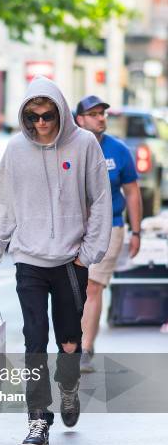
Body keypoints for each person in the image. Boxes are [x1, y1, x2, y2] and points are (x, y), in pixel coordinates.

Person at [0, 76, 112, 445]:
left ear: (61, 112)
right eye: (33, 117)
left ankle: (68, 387)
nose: (40, 123)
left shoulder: (84, 144)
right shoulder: (15, 151)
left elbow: (101, 200)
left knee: (69, 340)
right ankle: (38, 418)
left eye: (47, 115)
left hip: (71, 261)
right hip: (29, 260)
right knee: (34, 338)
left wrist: (89, 253)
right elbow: (1, 207)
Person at [76, 95, 142, 372]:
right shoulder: (69, 148)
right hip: (74, 227)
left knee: (93, 285)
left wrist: (136, 231)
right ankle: (70, 342)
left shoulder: (119, 150)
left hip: (110, 226)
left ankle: (85, 348)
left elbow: (132, 191)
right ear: (79, 119)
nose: (100, 118)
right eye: (93, 114)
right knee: (72, 288)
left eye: (103, 113)